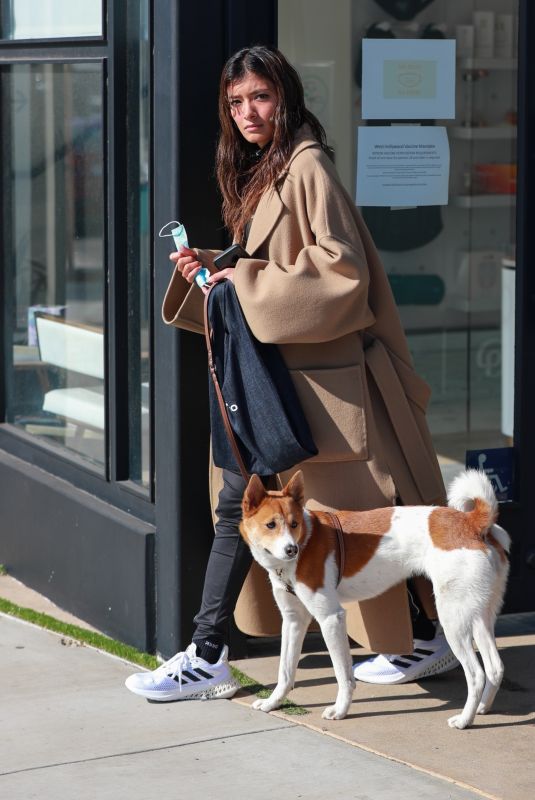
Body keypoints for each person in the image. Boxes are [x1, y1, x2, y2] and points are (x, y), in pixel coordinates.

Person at [125, 44, 457, 702]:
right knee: (238, 508)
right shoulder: (264, 168)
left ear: (286, 97)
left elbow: (341, 276)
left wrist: (239, 278)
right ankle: (209, 651)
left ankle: (430, 635)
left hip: (326, 386)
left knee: (376, 515)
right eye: (236, 102)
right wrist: (219, 269)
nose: (247, 112)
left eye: (260, 97)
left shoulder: (307, 168)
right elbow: (276, 264)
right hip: (278, 382)